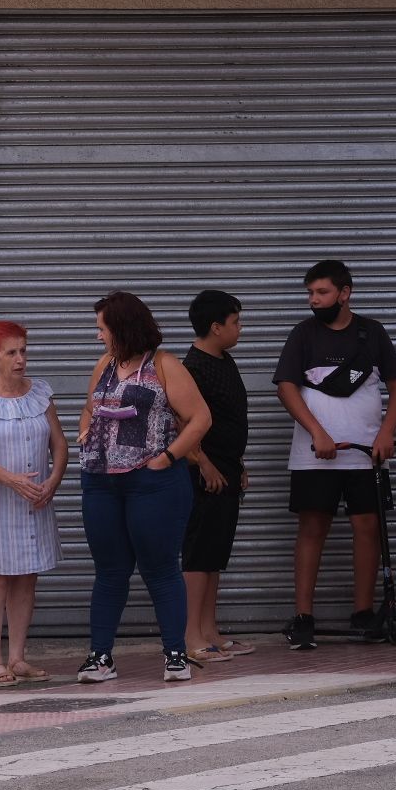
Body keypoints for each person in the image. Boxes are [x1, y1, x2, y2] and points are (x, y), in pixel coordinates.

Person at [76, 291, 213, 684]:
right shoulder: (105, 364)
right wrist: (85, 429)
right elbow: (90, 405)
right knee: (109, 570)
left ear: (123, 328)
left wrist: (167, 458)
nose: (98, 336)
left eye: (102, 328)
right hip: (101, 481)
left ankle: (175, 655)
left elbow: (200, 418)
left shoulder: (165, 365)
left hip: (152, 482)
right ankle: (100, 657)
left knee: (160, 568)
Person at [273, 262, 396, 651]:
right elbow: (286, 387)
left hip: (367, 455)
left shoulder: (371, 333)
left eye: (322, 292)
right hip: (314, 456)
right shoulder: (303, 334)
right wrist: (317, 432)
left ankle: (363, 613)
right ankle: (303, 617)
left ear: (344, 293)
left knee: (367, 529)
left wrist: (386, 433)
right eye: (310, 294)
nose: (314, 300)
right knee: (312, 529)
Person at [0, 321, 66, 687]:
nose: (20, 359)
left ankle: (18, 657)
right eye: (11, 352)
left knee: (26, 578)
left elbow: (60, 444)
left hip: (34, 500)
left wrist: (52, 481)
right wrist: (11, 480)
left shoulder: (40, 394)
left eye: (23, 350)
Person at [180, 290, 253, 664]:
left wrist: (237, 463)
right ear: (215, 326)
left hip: (226, 469)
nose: (240, 328)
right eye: (236, 322)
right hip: (203, 474)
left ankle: (210, 630)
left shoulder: (225, 361)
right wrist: (203, 463)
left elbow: (230, 418)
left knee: (215, 554)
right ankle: (191, 634)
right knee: (198, 552)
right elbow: (181, 424)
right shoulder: (191, 369)